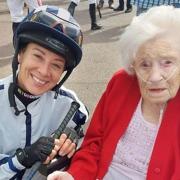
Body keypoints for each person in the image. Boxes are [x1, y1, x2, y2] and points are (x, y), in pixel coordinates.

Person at [48, 5, 180, 180]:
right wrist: (75, 175)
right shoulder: (122, 82)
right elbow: (94, 143)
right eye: (144, 64)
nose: (155, 77)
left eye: (167, 62)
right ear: (133, 64)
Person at [0, 5, 89, 179]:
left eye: (56, 65)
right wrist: (22, 158)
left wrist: (72, 139)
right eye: (38, 56)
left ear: (63, 71)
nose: (43, 71)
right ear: (20, 54)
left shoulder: (71, 107)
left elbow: (81, 145)